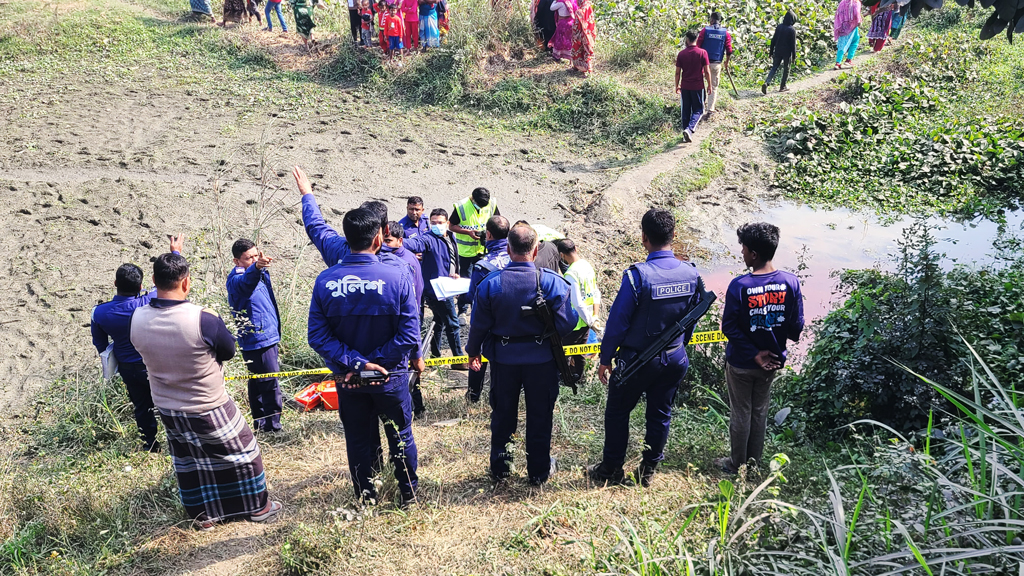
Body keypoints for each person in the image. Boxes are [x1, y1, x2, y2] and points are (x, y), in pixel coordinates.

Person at [130, 250, 281, 530]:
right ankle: (258, 506)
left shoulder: (137, 319)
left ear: (153, 280)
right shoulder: (202, 319)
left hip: (167, 406)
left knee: (190, 461)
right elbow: (228, 350)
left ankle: (204, 515)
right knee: (245, 452)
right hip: (208, 404)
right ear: (186, 283)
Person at [307, 208, 420, 506]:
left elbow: (318, 337)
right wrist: (376, 364)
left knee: (358, 439)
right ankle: (408, 495)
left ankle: (366, 497)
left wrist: (357, 365)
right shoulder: (397, 275)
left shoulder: (326, 280)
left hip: (350, 379)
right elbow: (409, 335)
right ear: (378, 239)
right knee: (400, 434)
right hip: (390, 377)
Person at [588, 209, 702, 487]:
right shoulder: (692, 274)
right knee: (660, 413)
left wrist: (605, 359)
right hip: (675, 358)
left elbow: (617, 324)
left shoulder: (636, 277)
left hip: (635, 363)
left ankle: (611, 469)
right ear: (674, 236)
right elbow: (693, 317)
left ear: (643, 237)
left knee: (617, 412)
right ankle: (648, 470)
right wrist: (679, 347)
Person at [466, 223, 578, 485]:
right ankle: (538, 472)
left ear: (508, 248)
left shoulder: (490, 284)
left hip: (504, 362)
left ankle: (502, 467)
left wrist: (472, 353)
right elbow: (569, 323)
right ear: (536, 250)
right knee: (540, 416)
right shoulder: (552, 283)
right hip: (542, 361)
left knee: (503, 415)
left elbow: (478, 326)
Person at [715, 222, 804, 475]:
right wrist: (772, 339)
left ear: (754, 253)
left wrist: (754, 352)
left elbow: (729, 328)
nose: (741, 253)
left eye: (743, 248)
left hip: (742, 363)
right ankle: (753, 463)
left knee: (741, 412)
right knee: (759, 411)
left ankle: (736, 464)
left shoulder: (740, 286)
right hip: (772, 362)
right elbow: (796, 327)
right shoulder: (791, 283)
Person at [90, 235, 184, 452]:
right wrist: (175, 252)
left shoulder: (99, 313)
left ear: (115, 284)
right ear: (141, 285)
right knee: (168, 402)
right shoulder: (146, 302)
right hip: (152, 364)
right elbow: (170, 282)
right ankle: (177, 441)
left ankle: (150, 445)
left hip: (127, 367)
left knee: (141, 406)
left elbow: (100, 345)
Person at [226, 239, 284, 434]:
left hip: (266, 335)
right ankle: (273, 427)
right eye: (248, 258)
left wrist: (258, 268)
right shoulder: (237, 280)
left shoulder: (258, 273)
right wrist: (256, 268)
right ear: (236, 261)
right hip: (258, 339)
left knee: (259, 382)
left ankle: (262, 425)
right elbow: (245, 284)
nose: (254, 259)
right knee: (269, 382)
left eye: (255, 255)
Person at [401, 209, 467, 367]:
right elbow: (415, 243)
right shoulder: (428, 239)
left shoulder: (451, 236)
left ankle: (435, 355)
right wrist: (399, 242)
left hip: (449, 286)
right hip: (437, 291)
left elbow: (451, 259)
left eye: (440, 223)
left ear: (447, 223)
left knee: (439, 322)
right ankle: (458, 359)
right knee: (453, 324)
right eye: (433, 223)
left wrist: (455, 273)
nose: (436, 226)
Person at [465, 215, 512, 403]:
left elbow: (472, 297)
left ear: (489, 235)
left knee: (478, 354)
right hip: (511, 319)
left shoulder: (483, 266)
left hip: (488, 320)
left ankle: (473, 394)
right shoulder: (517, 257)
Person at [383, 221, 427, 417]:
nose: (383, 245)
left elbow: (413, 302)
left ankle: (415, 407)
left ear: (400, 241)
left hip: (406, 323)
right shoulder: (392, 259)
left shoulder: (405, 263)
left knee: (410, 370)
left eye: (388, 241)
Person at [553, 238, 600, 381]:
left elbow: (577, 303)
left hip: (574, 322)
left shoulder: (571, 274)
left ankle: (564, 381)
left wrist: (590, 321)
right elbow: (595, 292)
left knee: (564, 353)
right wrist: (594, 317)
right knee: (580, 352)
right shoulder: (587, 266)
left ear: (561, 255)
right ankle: (580, 379)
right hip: (587, 320)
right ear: (576, 248)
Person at [449, 187, 499, 317]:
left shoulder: (491, 204)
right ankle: (462, 310)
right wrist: (468, 232)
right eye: (479, 204)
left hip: (484, 250)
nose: (482, 207)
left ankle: (478, 308)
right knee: (466, 281)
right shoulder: (461, 207)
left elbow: (498, 222)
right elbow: (451, 226)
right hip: (466, 252)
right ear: (473, 199)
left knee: (484, 279)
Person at [674, 30, 712, 143]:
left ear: (687, 40)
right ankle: (689, 130)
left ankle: (685, 133)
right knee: (699, 110)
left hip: (685, 86)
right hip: (698, 86)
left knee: (685, 110)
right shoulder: (702, 53)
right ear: (697, 39)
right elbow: (707, 71)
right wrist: (709, 85)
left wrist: (677, 85)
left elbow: (677, 72)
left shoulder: (681, 54)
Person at [695, 11, 733, 115]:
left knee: (700, 84)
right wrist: (726, 62)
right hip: (716, 63)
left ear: (711, 20)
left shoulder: (705, 31)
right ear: (720, 21)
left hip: (703, 63)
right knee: (713, 86)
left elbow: (697, 46)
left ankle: (699, 107)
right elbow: (729, 50)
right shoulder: (725, 33)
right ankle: (710, 109)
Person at [763, 11, 797, 95]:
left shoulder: (779, 27)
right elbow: (793, 45)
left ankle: (767, 82)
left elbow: (773, 40)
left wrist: (770, 52)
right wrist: (794, 56)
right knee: (786, 68)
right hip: (787, 53)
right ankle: (783, 86)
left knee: (774, 67)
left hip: (777, 51)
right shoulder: (792, 30)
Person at [834, 0, 863, 69]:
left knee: (843, 42)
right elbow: (856, 14)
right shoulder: (856, 2)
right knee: (854, 42)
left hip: (842, 25)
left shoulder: (842, 2)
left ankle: (840, 62)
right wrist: (859, 22)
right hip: (851, 25)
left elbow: (838, 13)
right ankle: (845, 60)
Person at [570, 0, 595, 75]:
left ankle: (588, 68)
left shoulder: (586, 5)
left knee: (584, 50)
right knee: (578, 49)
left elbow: (583, 14)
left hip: (584, 32)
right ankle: (577, 66)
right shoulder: (586, 3)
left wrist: (578, 12)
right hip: (584, 31)